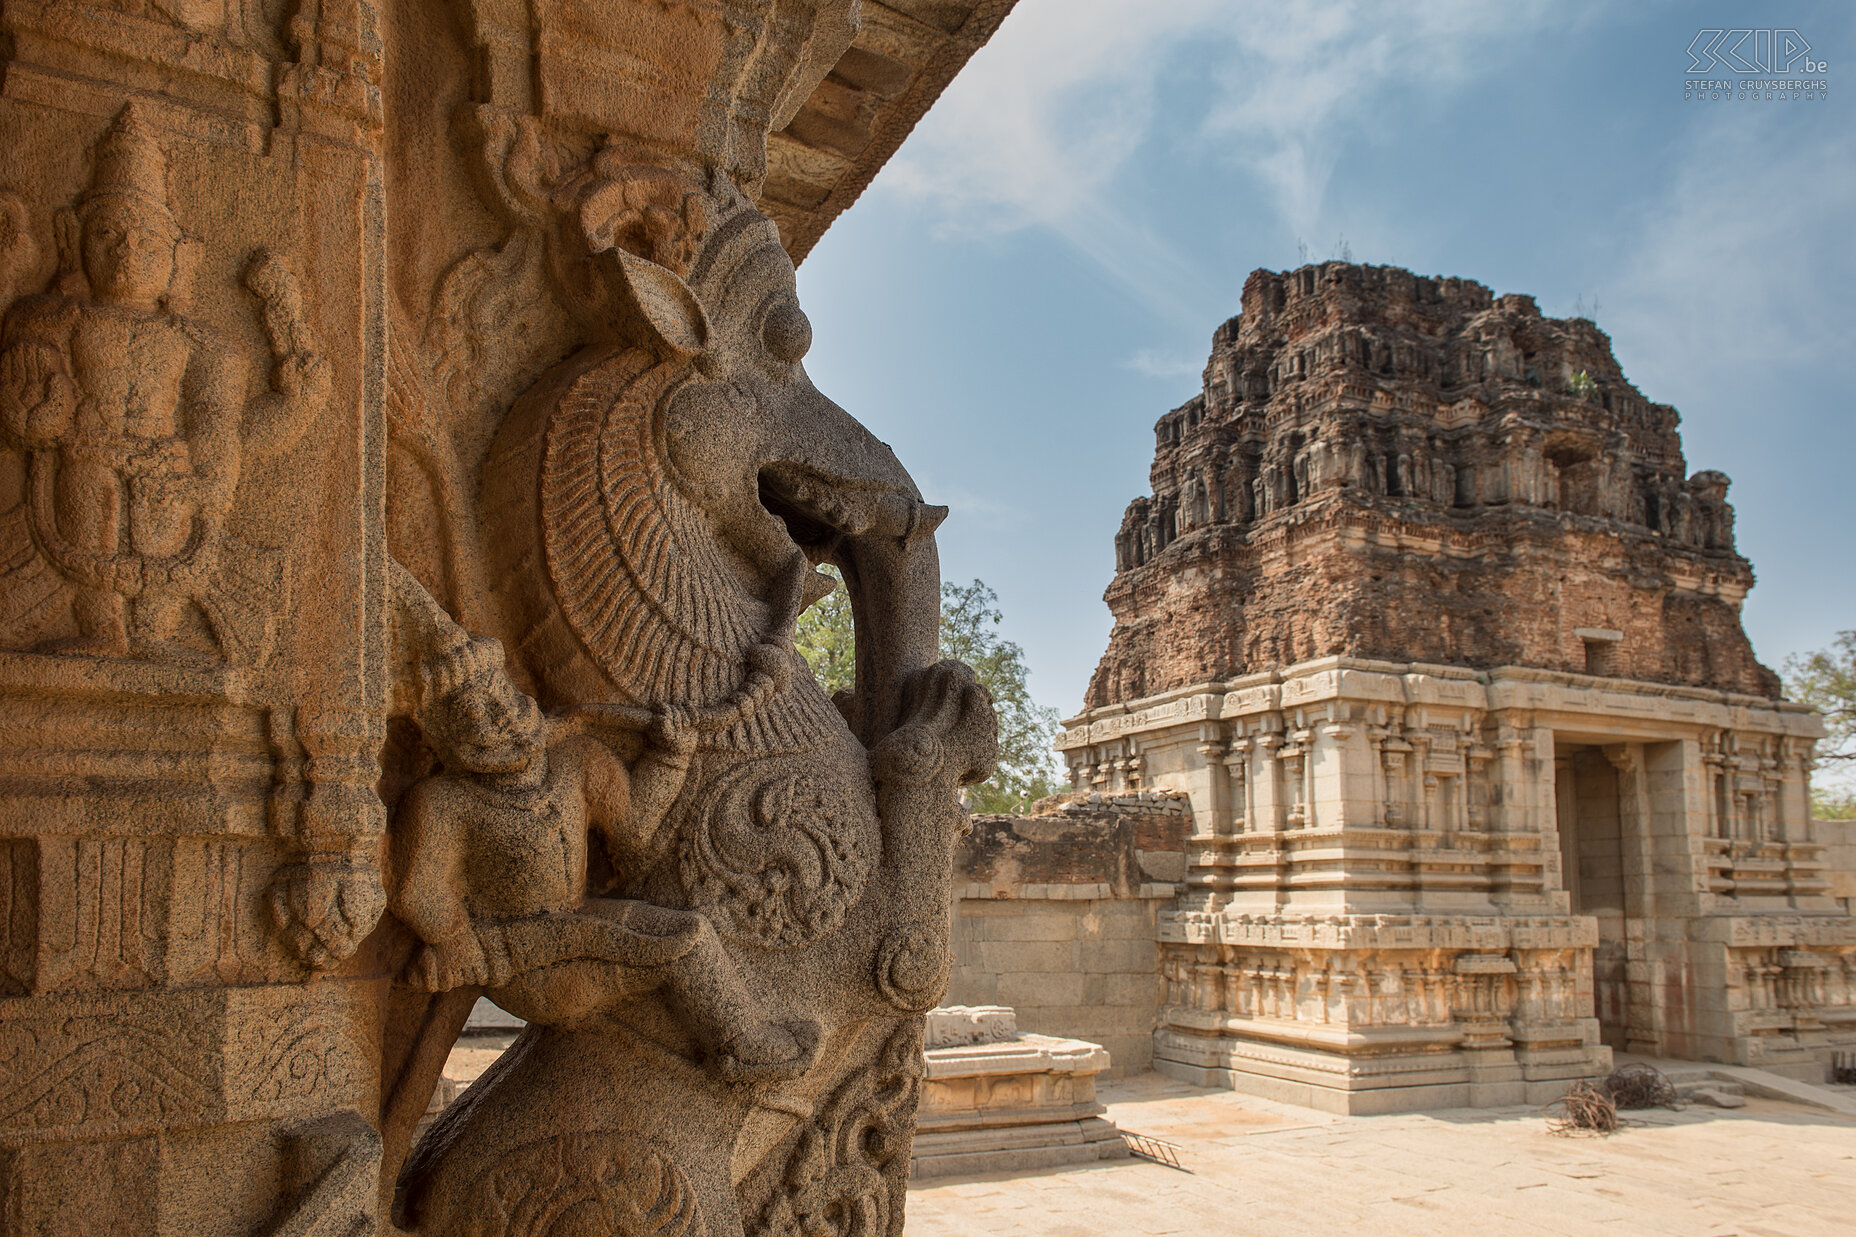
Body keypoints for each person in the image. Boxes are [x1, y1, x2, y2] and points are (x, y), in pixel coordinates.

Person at [390, 626, 816, 1081]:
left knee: (689, 932)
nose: (507, 720)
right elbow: (416, 892)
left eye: (508, 702)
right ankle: (744, 1048)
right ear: (453, 739)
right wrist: (458, 939)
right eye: (482, 719)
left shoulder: (575, 761)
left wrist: (669, 758)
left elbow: (633, 828)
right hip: (527, 965)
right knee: (682, 946)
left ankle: (737, 1040)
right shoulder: (444, 803)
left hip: (578, 918)